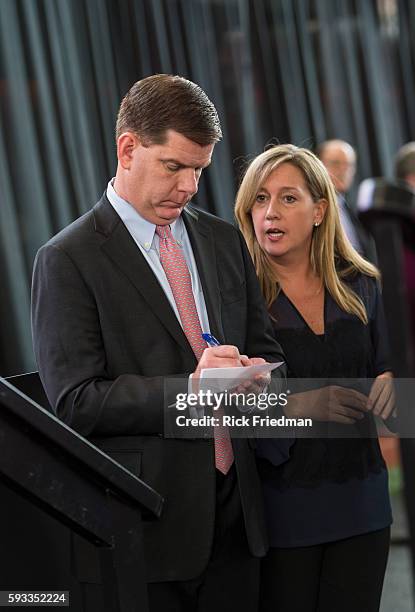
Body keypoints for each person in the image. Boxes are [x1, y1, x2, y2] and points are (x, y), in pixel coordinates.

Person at [31, 74, 285, 612]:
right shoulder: (67, 259)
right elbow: (75, 403)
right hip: (148, 530)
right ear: (128, 148)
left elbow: (272, 356)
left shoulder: (221, 238)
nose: (190, 186)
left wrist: (259, 380)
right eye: (174, 166)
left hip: (241, 519)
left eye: (199, 169)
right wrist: (192, 391)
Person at [235, 144, 394, 612]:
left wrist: (391, 377)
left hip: (363, 503)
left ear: (320, 210)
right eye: (260, 200)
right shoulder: (236, 304)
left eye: (287, 198)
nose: (270, 212)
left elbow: (393, 371)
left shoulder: (363, 285)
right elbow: (223, 411)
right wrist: (296, 407)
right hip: (282, 513)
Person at [317, 139, 376, 261]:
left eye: (349, 165)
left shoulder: (350, 209)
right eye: (336, 163)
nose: (344, 170)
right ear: (318, 166)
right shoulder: (313, 209)